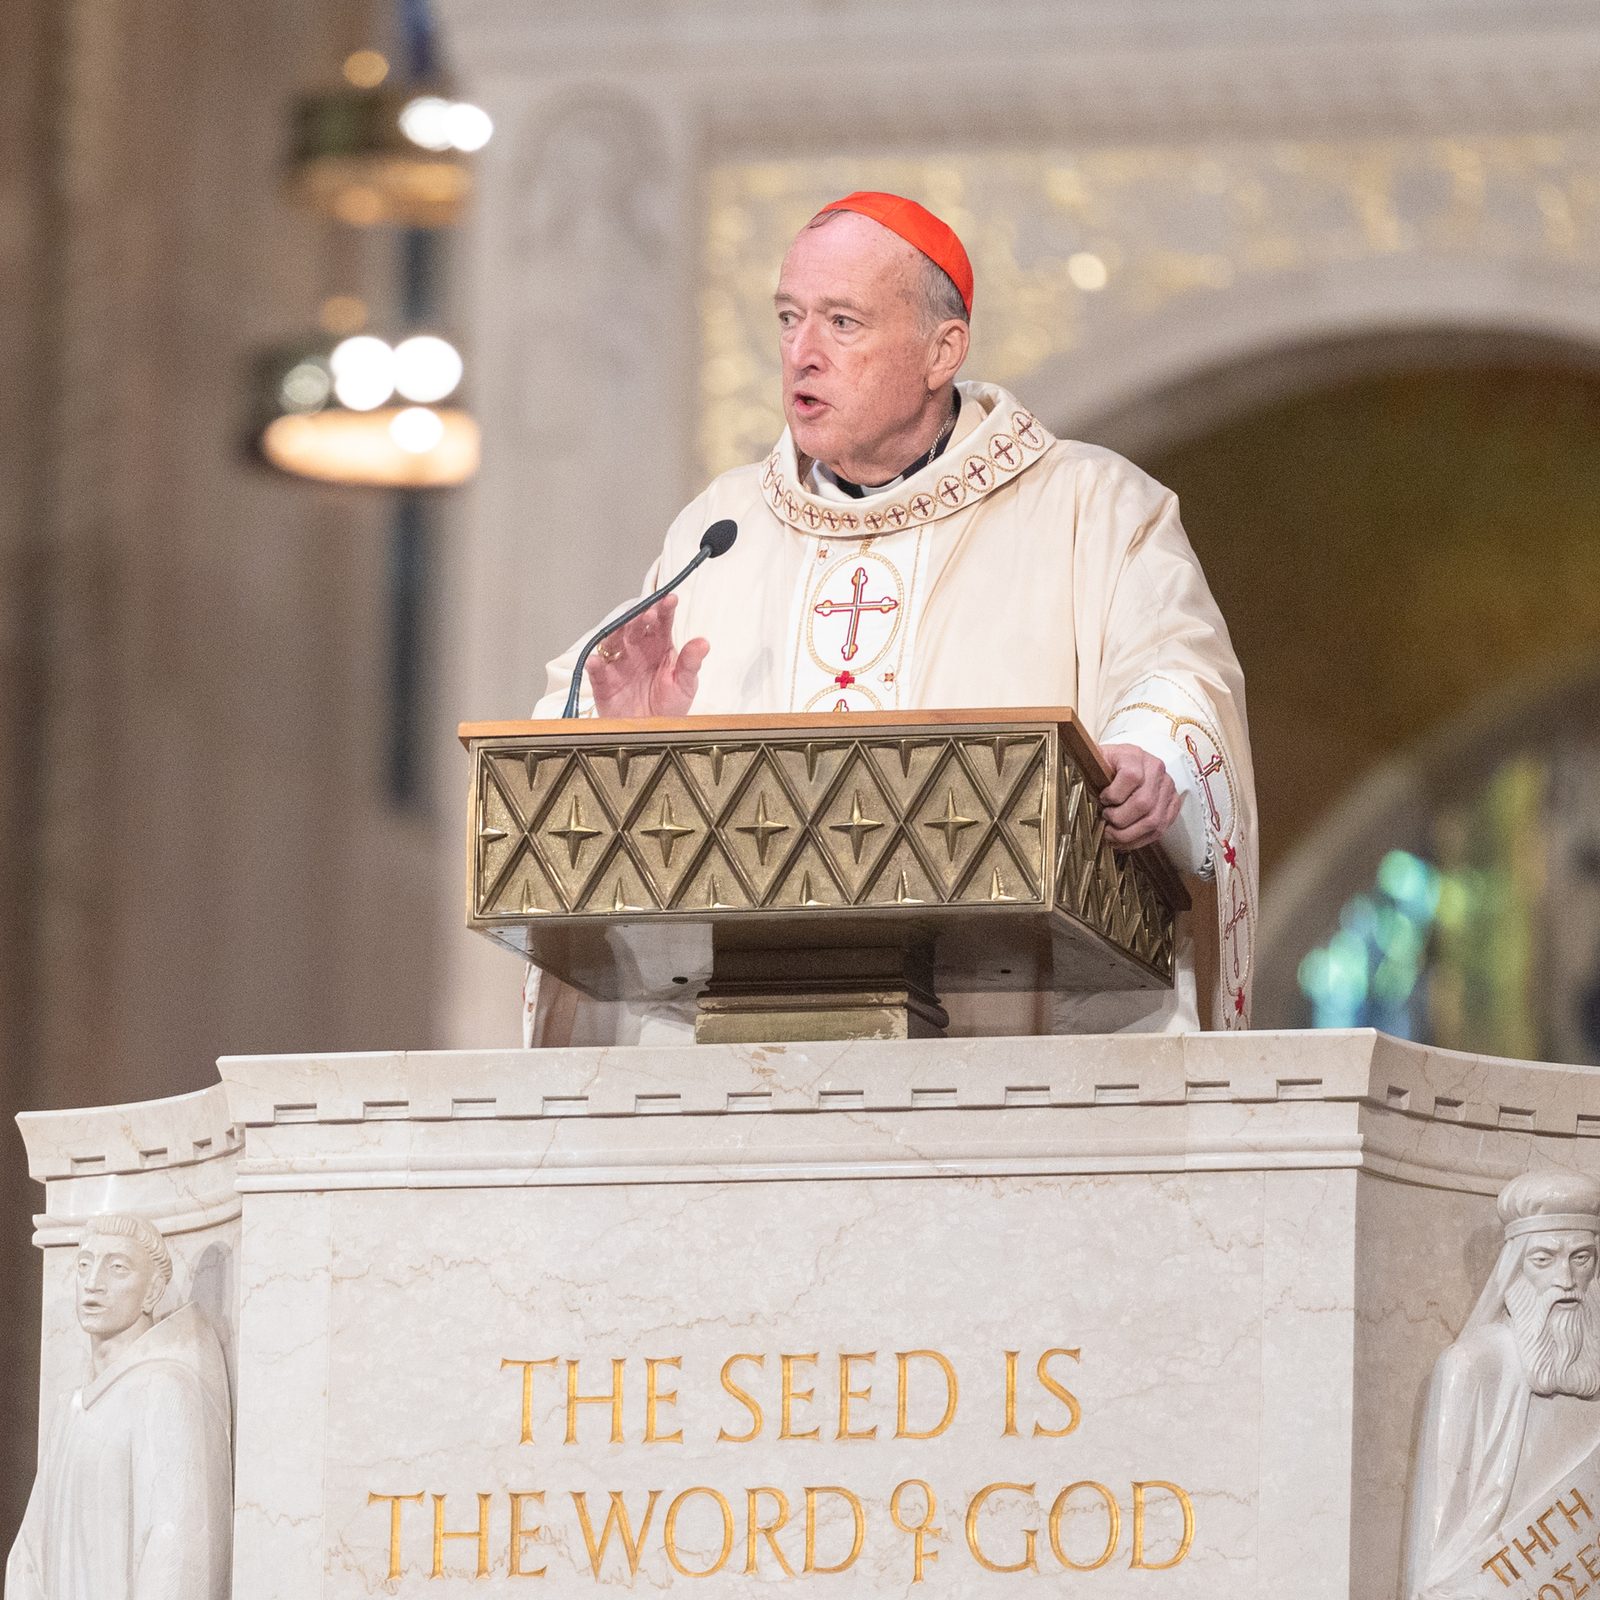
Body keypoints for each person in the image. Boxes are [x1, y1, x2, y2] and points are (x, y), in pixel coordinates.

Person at [527, 190, 1255, 1045]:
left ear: (943, 349)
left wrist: (1151, 756)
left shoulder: (1089, 506)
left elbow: (1177, 670)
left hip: (1010, 1036)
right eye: (790, 318)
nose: (801, 353)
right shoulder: (720, 528)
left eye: (843, 323)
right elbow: (560, 736)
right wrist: (630, 739)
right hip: (739, 1047)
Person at [6, 1212, 233, 1600]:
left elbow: (177, 1548)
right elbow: (30, 1551)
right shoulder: (72, 1408)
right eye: (84, 1265)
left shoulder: (164, 1388)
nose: (93, 1283)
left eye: (117, 1268)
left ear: (152, 1291)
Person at [1404, 1172, 1600, 1598]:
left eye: (1581, 1258)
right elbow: (1439, 1528)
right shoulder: (1472, 1364)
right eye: (1544, 1260)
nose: (1565, 1279)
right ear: (1514, 1269)